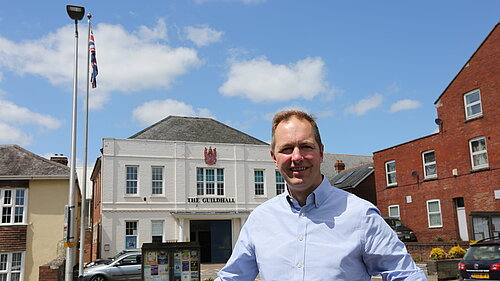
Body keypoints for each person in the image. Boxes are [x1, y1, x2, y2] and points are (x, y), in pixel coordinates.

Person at [216, 110, 427, 281]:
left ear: (321, 152)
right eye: (287, 149)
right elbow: (232, 277)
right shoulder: (260, 219)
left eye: (306, 147)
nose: (296, 157)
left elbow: (405, 275)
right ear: (274, 157)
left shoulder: (360, 215)